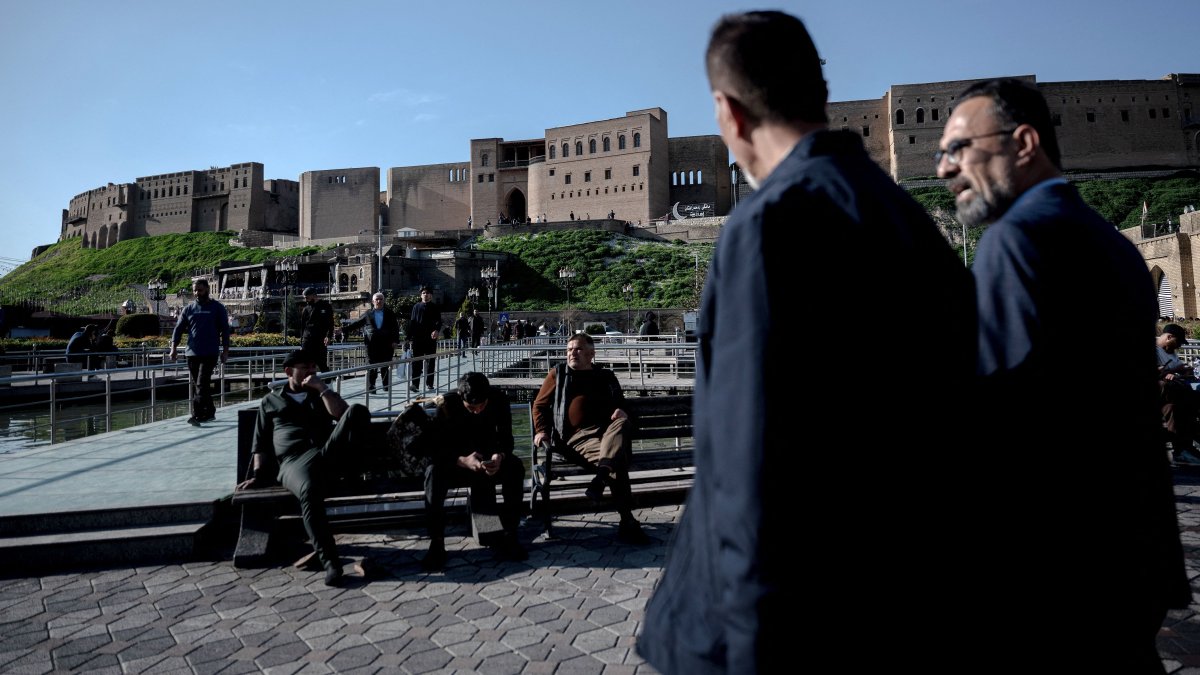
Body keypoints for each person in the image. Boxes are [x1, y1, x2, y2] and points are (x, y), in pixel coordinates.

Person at [638, 12, 977, 673]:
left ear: (729, 113)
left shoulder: (769, 226)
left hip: (793, 624)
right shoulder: (914, 225)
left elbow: (749, 474)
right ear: (820, 94)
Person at [938, 78, 1187, 670]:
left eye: (959, 149)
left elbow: (1001, 418)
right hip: (1131, 548)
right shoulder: (1110, 242)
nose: (945, 168)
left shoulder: (1018, 239)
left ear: (1024, 143)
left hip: (1053, 566)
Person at [236, 350, 372, 586]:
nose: (311, 372)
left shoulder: (320, 394)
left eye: (313, 367)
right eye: (305, 367)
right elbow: (260, 444)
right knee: (310, 489)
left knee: (357, 411)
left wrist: (323, 389)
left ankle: (354, 470)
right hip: (294, 462)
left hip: (325, 453)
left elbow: (343, 415)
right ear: (289, 371)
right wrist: (258, 475)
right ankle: (330, 562)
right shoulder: (270, 401)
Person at [532, 332, 650, 544]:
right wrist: (541, 430)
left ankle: (601, 476)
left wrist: (622, 411)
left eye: (578, 349)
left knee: (622, 424)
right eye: (569, 350)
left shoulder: (605, 376)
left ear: (591, 354)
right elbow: (539, 406)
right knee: (616, 462)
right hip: (577, 438)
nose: (572, 353)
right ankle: (627, 519)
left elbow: (623, 405)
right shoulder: (558, 374)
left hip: (608, 433)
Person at [421, 372, 527, 571]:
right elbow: (436, 448)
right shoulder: (446, 403)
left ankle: (510, 534)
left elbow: (507, 439)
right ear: (461, 398)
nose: (477, 411)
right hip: (456, 462)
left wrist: (500, 455)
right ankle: (437, 542)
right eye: (471, 407)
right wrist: (461, 460)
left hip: (487, 462)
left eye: (482, 406)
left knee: (515, 468)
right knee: (433, 474)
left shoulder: (499, 399)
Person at [170, 279, 231, 425]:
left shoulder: (218, 308)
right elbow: (178, 329)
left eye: (200, 290)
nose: (197, 293)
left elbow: (225, 330)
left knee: (201, 384)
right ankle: (210, 411)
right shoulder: (188, 309)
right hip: (192, 353)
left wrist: (225, 351)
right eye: (195, 290)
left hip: (210, 353)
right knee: (199, 385)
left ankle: (196, 414)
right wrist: (173, 348)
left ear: (207, 290)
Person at [1157, 323, 1200, 464]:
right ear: (1169, 337)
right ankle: (1185, 447)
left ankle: (1184, 449)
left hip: (1172, 394)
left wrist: (1183, 371)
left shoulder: (1170, 352)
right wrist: (1169, 372)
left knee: (1176, 407)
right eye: (1178, 342)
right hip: (1165, 390)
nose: (1179, 346)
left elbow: (1177, 369)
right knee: (1183, 401)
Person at [343, 292, 400, 392]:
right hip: (371, 344)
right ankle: (371, 385)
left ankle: (386, 385)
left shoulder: (390, 313)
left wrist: (395, 341)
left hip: (386, 344)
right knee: (371, 365)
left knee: (385, 365)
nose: (379, 301)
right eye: (377, 299)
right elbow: (357, 323)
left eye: (381, 299)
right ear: (373, 301)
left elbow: (395, 328)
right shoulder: (368, 314)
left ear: (384, 301)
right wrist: (343, 329)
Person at [409, 286, 442, 392]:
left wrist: (436, 330)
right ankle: (415, 384)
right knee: (416, 362)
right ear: (421, 295)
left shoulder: (435, 307)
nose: (426, 295)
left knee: (430, 361)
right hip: (418, 339)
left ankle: (430, 383)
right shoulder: (416, 307)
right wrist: (408, 337)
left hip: (430, 339)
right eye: (423, 293)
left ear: (431, 295)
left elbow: (439, 321)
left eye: (428, 293)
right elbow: (412, 322)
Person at [299, 287, 334, 371]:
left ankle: (328, 379)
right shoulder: (306, 309)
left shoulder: (326, 306)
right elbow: (302, 327)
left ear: (313, 295)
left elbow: (330, 323)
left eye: (307, 297)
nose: (306, 300)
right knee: (306, 365)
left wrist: (329, 336)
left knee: (322, 364)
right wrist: (302, 343)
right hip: (307, 340)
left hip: (320, 340)